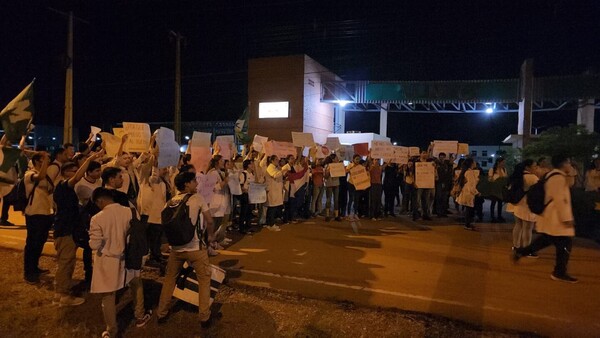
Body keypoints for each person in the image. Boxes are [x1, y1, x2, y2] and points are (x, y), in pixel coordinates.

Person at [156, 172, 218, 329]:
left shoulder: (169, 202)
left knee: (170, 279)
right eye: (193, 182)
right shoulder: (197, 199)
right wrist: (211, 236)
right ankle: (204, 316)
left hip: (176, 249)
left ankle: (161, 313)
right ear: (186, 184)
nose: (196, 184)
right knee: (204, 279)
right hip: (195, 248)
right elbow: (209, 220)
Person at [89, 188, 152, 338]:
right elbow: (138, 233)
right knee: (136, 285)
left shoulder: (97, 218)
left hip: (108, 260)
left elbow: (94, 245)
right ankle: (140, 317)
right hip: (130, 256)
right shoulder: (130, 211)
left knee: (108, 296)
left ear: (100, 201)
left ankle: (111, 330)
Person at [513, 155, 578, 283]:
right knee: (564, 244)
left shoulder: (552, 175)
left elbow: (571, 183)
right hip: (556, 218)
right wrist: (567, 218)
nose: (570, 166)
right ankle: (559, 272)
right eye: (569, 163)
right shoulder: (558, 178)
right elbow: (561, 200)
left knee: (547, 240)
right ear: (564, 163)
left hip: (551, 217)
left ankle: (522, 252)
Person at [52, 153, 101, 306]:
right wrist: (89, 159)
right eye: (73, 170)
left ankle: (59, 292)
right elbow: (78, 177)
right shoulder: (63, 186)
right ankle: (64, 296)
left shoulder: (64, 189)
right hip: (65, 230)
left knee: (66, 262)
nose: (76, 172)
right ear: (66, 173)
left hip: (67, 229)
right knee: (66, 262)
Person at [23, 152, 54, 284]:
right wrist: (46, 161)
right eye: (43, 160)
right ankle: (28, 272)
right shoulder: (29, 174)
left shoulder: (46, 176)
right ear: (36, 162)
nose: (46, 162)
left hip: (45, 213)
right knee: (32, 243)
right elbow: (39, 176)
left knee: (40, 242)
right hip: (34, 213)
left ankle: (34, 267)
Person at [506, 160, 539, 256]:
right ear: (527, 167)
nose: (536, 168)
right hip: (528, 206)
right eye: (534, 166)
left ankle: (516, 246)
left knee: (518, 225)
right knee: (527, 229)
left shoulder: (517, 176)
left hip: (517, 205)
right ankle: (526, 249)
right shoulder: (533, 178)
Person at [456, 158, 480, 230]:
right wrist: (476, 192)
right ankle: (467, 224)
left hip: (467, 192)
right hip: (469, 193)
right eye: (474, 161)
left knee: (469, 209)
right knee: (469, 209)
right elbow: (471, 184)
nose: (475, 163)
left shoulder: (468, 171)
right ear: (471, 163)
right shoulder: (469, 172)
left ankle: (468, 223)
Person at [488, 157, 508, 222]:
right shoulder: (492, 169)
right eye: (503, 162)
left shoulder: (504, 169)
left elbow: (505, 178)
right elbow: (490, 179)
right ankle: (492, 216)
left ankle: (499, 216)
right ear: (498, 162)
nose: (504, 164)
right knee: (493, 202)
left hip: (501, 189)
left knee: (500, 203)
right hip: (494, 188)